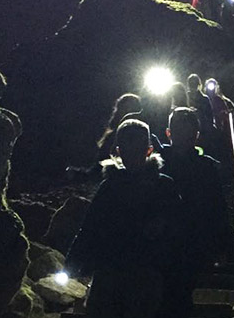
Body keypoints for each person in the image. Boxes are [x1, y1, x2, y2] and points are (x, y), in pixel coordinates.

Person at [65, 120, 181, 318]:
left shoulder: (162, 188)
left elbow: (177, 229)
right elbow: (91, 226)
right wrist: (73, 262)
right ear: (119, 151)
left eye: (137, 149)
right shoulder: (112, 187)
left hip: (143, 272)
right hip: (115, 272)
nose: (132, 155)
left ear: (148, 150)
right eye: (128, 150)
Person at [157, 108, 234, 318]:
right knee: (176, 298)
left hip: (182, 244)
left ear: (168, 132)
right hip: (177, 243)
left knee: (174, 297)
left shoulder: (157, 164)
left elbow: (217, 207)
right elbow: (218, 207)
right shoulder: (204, 167)